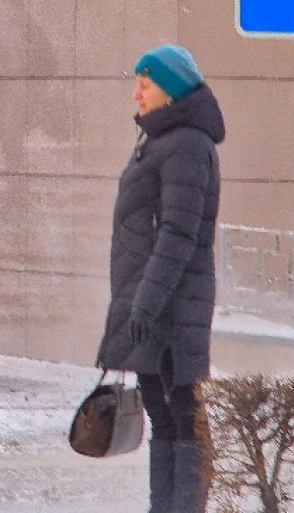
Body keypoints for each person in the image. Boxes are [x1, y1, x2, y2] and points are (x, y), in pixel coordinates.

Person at [96, 44, 223, 513]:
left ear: (169, 89)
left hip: (171, 306)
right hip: (149, 304)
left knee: (184, 420)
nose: (136, 94)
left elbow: (178, 234)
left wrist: (145, 304)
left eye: (144, 85)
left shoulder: (187, 144)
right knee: (164, 419)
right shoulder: (162, 141)